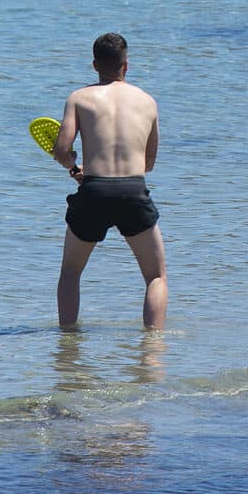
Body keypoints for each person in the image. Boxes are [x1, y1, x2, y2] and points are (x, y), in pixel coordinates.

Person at [49, 33, 167, 329]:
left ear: (94, 65)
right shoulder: (147, 102)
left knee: (71, 273)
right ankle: (153, 350)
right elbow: (148, 164)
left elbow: (62, 151)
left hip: (93, 191)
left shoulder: (79, 98)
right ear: (126, 66)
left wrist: (76, 168)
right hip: (132, 191)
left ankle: (68, 346)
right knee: (155, 276)